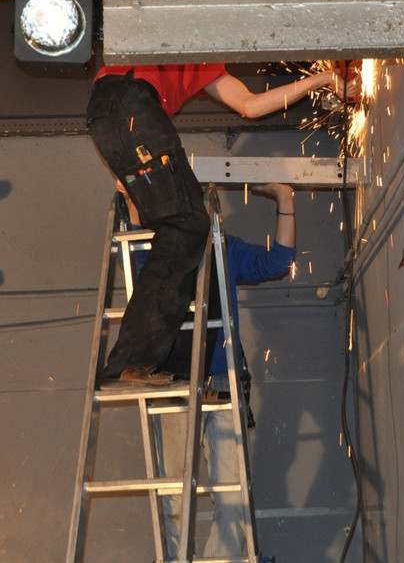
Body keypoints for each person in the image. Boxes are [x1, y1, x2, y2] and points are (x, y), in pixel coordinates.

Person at [86, 0, 359, 385]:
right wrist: (345, 48)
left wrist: (325, 78)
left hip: (119, 115)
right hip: (129, 102)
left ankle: (160, 364)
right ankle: (131, 360)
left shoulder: (207, 61)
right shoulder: (202, 1)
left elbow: (249, 106)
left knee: (187, 232)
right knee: (187, 226)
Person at [123, 182, 295, 561]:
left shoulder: (225, 248)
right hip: (171, 382)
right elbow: (137, 266)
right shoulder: (163, 252)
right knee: (173, 496)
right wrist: (134, 206)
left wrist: (285, 198)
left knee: (233, 496)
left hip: (220, 378)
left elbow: (278, 262)